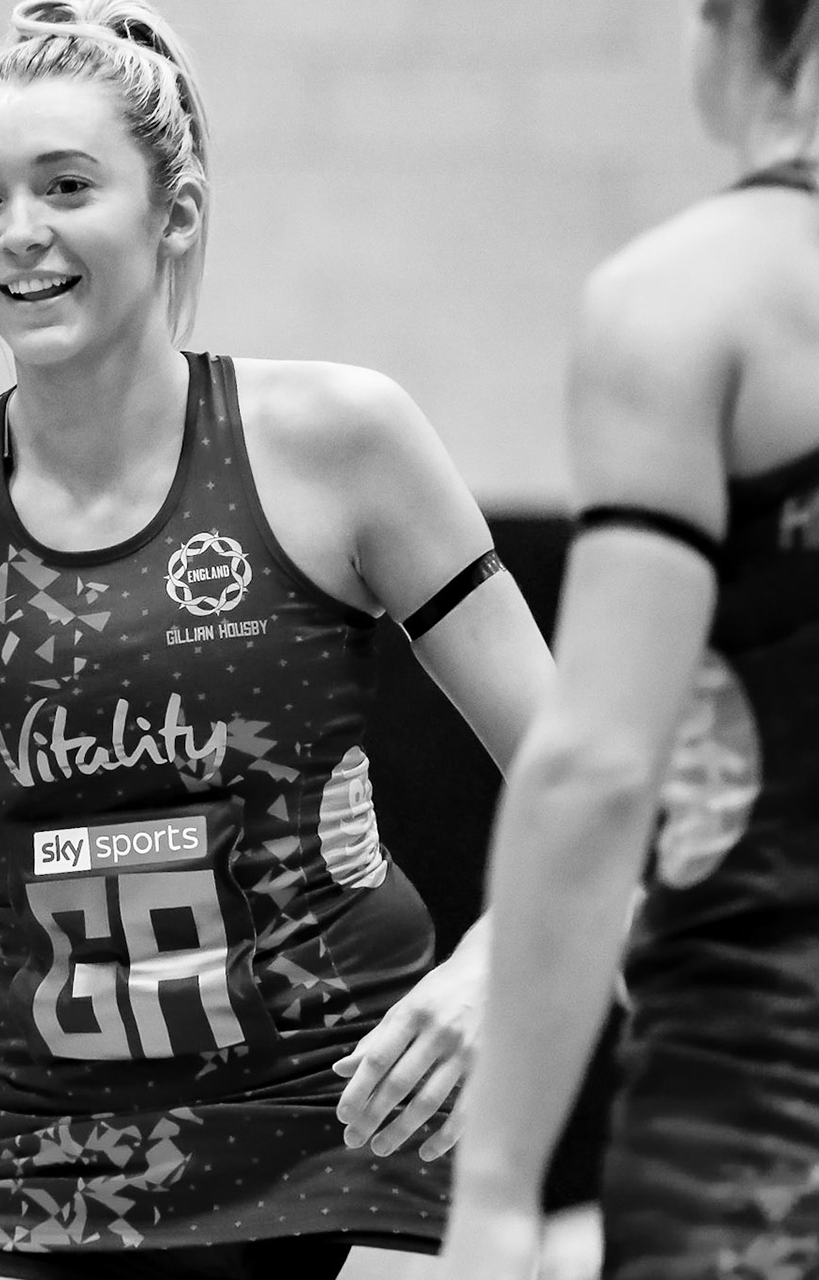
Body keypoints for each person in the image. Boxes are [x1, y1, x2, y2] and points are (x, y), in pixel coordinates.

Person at [0, 2, 554, 1275]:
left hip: (358, 1129)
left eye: (67, 185)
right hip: (62, 1163)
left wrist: (495, 968)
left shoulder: (337, 440)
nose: (18, 230)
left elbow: (589, 777)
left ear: (174, 212)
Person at [440, 1, 819, 1277]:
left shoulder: (692, 299)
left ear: (724, 30)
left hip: (760, 1124)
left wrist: (497, 1186)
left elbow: (598, 767)